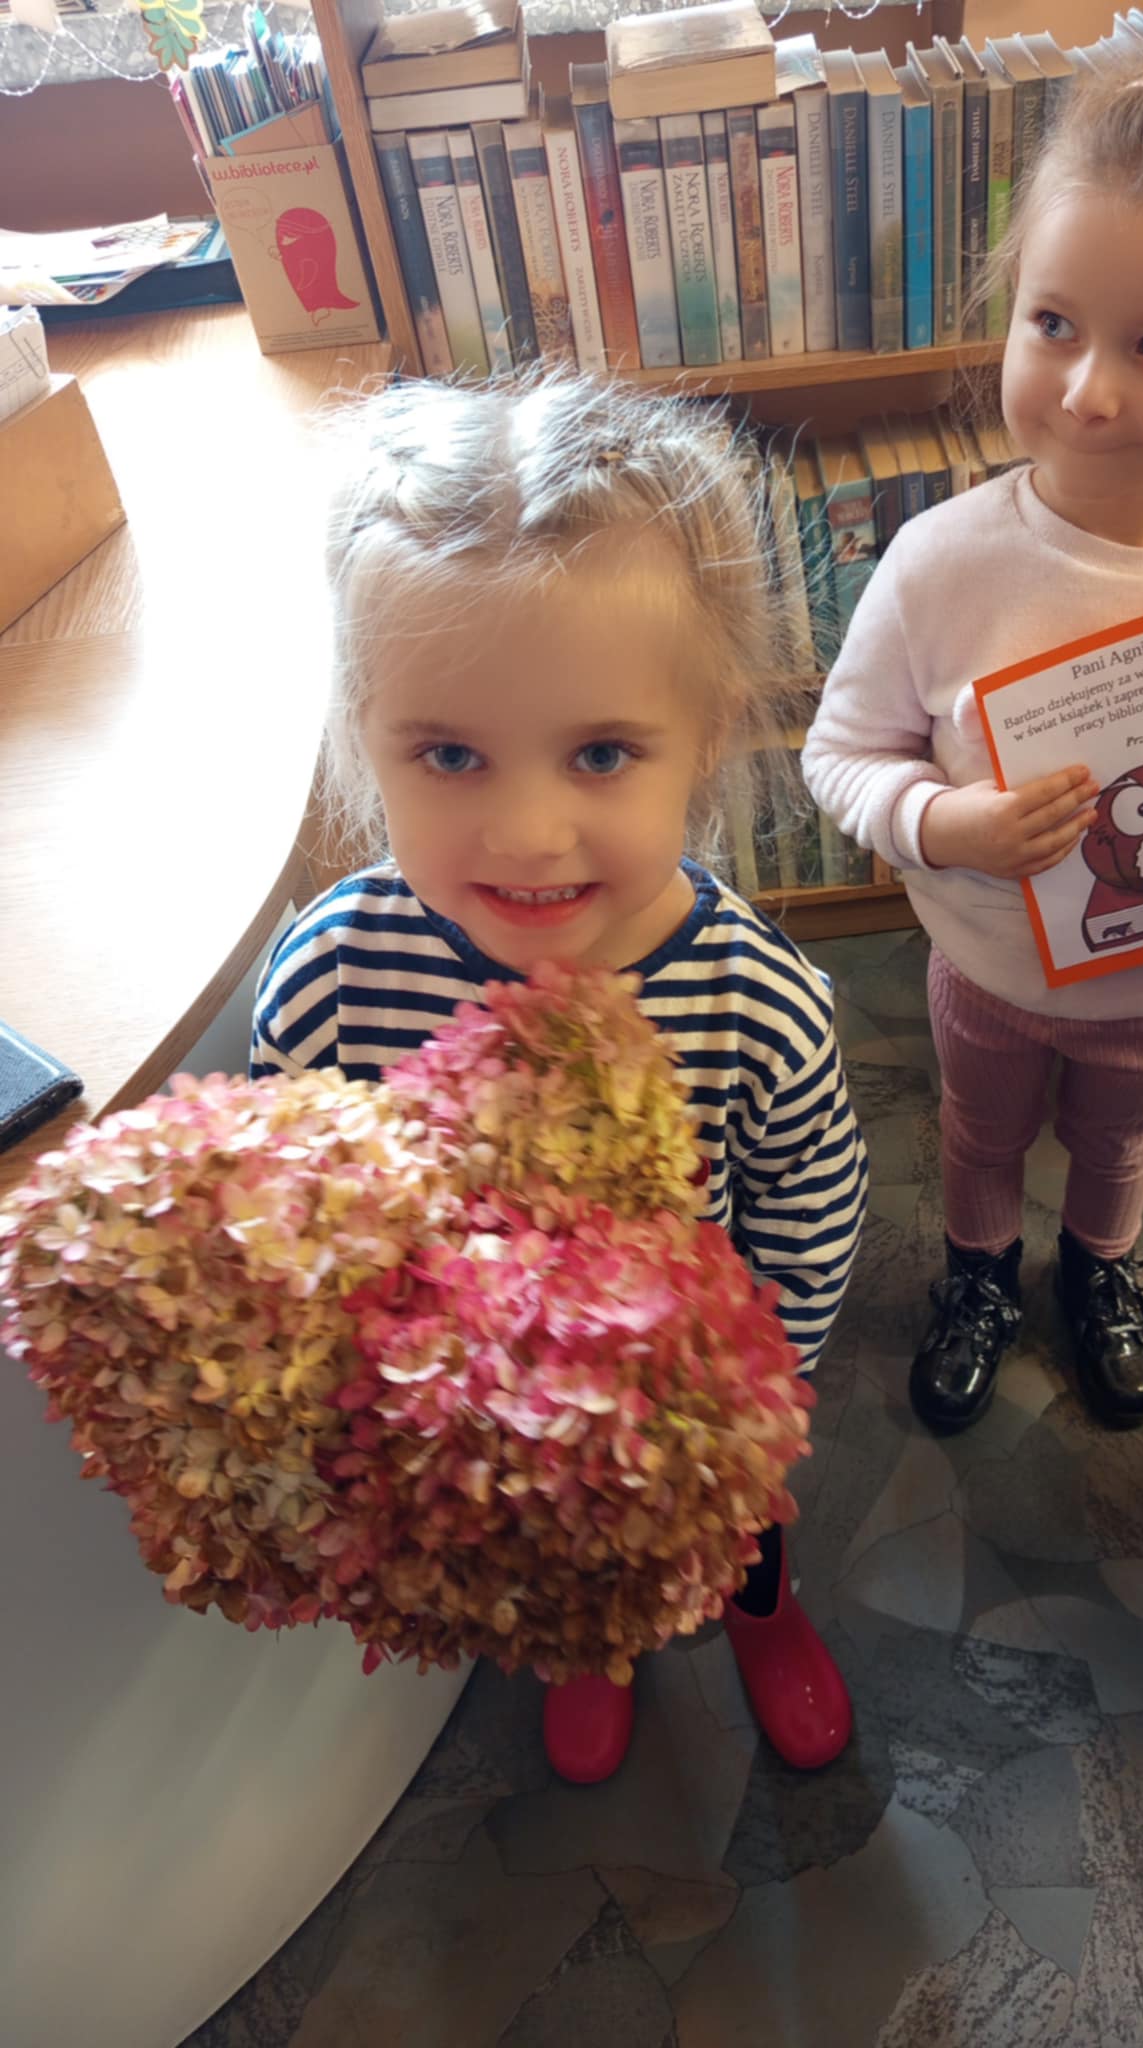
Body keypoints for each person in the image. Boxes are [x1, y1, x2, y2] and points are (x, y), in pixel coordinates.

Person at [250, 373, 868, 1783]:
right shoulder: (334, 978)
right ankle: (595, 1646)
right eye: (450, 754)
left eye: (600, 753)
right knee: (564, 1550)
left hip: (698, 1396)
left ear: (707, 737)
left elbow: (810, 1207)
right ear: (365, 732)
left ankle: (764, 1614)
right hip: (477, 1398)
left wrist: (764, 1390)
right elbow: (303, 1205)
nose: (529, 831)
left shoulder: (754, 999)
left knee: (738, 1534)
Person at [802, 0, 1143, 1434]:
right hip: (987, 966)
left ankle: (1100, 1273)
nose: (1089, 391)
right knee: (977, 1135)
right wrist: (944, 823)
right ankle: (979, 1274)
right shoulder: (941, 563)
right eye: (1052, 324)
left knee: (1124, 1144)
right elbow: (839, 754)